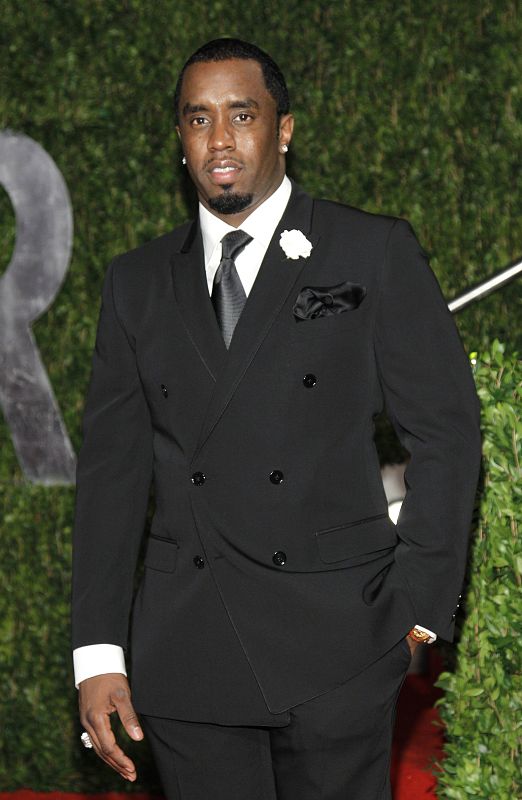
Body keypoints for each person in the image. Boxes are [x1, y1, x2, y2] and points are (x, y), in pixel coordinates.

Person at [72, 37, 481, 799]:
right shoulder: (135, 283)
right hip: (186, 650)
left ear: (284, 128)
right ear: (179, 141)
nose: (219, 140)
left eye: (242, 115)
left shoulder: (371, 250)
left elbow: (447, 433)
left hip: (338, 644)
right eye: (198, 120)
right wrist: (98, 653)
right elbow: (111, 478)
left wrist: (420, 606)